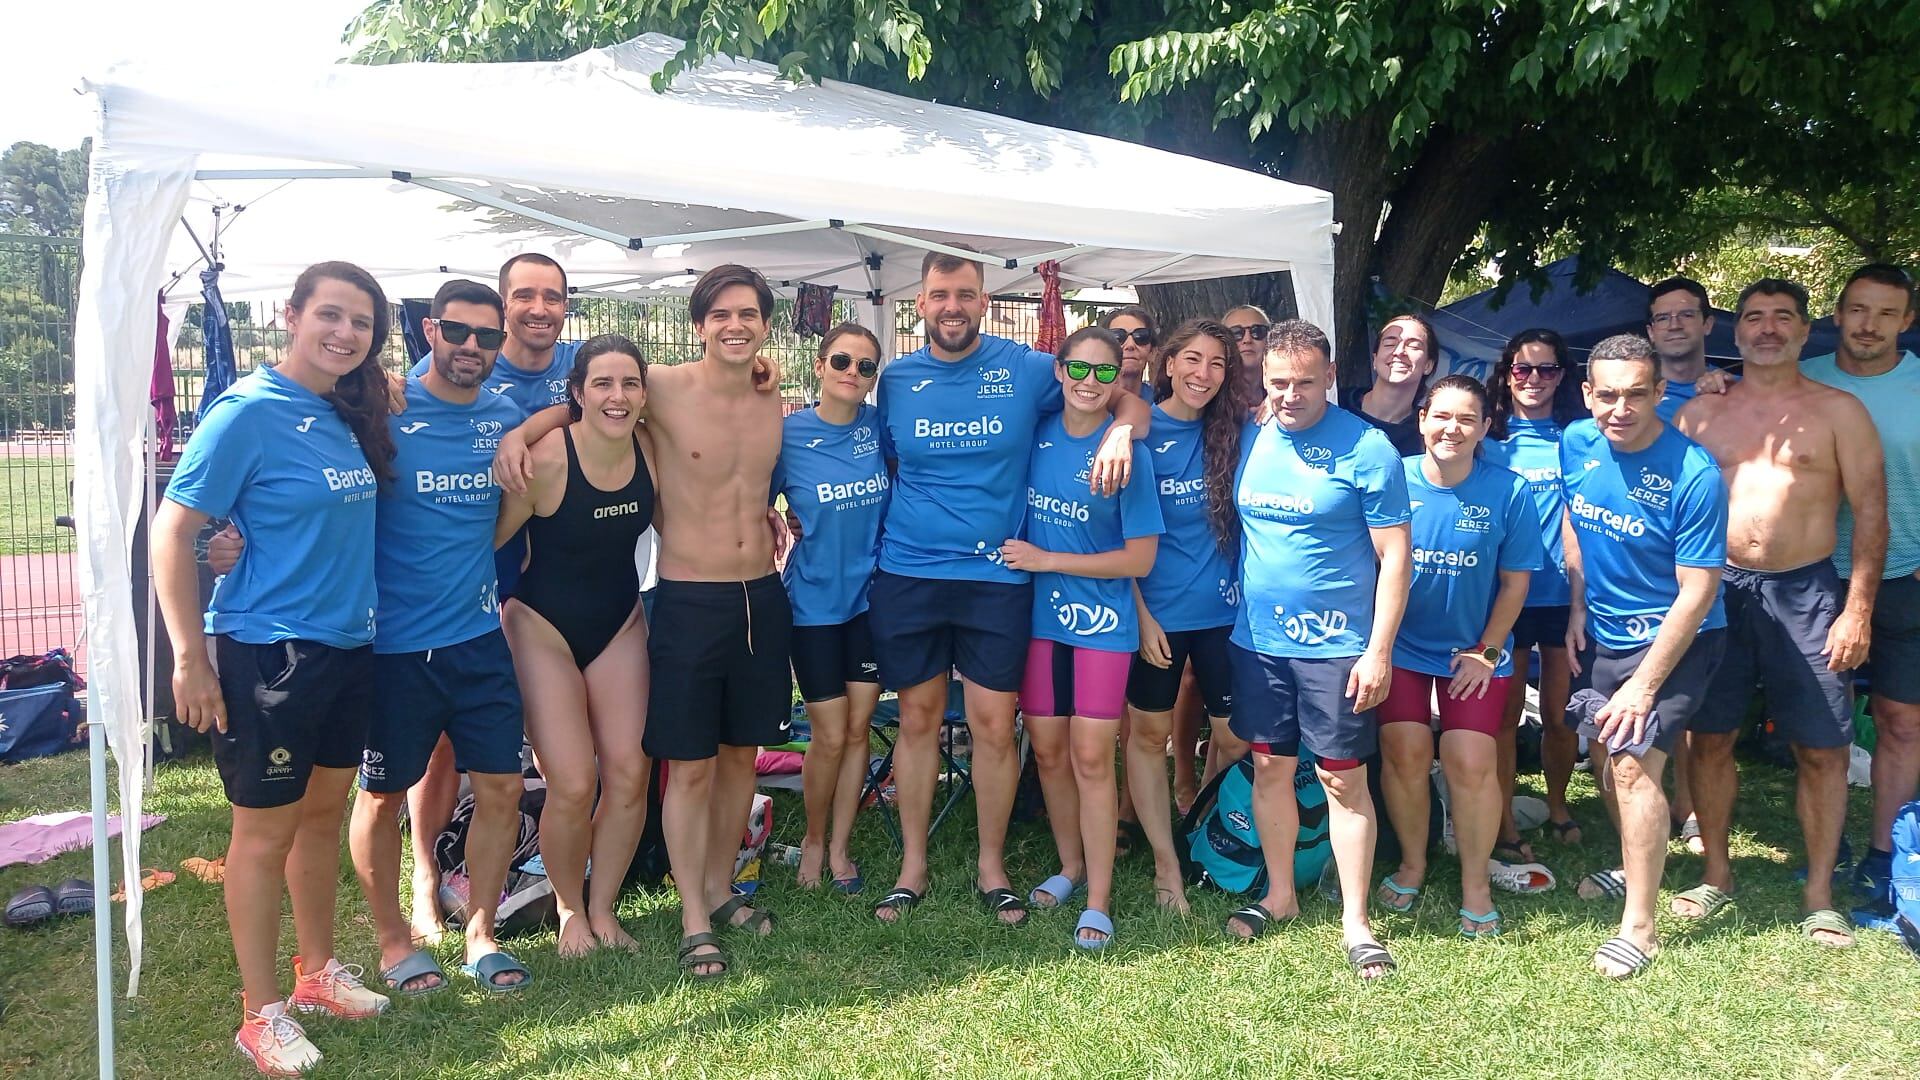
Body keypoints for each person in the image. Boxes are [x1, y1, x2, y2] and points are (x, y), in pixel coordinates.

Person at [151, 261, 397, 1075]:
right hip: (271, 653)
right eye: (330, 314)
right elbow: (172, 530)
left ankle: (316, 973)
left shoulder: (343, 410)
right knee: (262, 834)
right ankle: (261, 1015)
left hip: (348, 647)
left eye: (361, 322)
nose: (345, 333)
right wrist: (188, 657)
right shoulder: (247, 412)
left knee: (322, 815)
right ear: (291, 315)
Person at [868, 248, 1150, 926]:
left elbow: (1116, 394)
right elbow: (888, 460)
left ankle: (991, 866)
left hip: (997, 575)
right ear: (920, 303)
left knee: (994, 726)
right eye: (940, 295)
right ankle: (913, 866)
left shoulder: (1026, 368)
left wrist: (1120, 434)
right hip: (910, 571)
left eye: (965, 294)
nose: (953, 307)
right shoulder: (898, 378)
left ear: (984, 302)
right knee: (917, 720)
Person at [1674, 279, 1886, 947]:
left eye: (1783, 317)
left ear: (1804, 329)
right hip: (1717, 590)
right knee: (1709, 736)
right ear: (1735, 331)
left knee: (1822, 746)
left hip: (1807, 590)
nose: (1768, 328)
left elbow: (1872, 515)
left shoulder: (1839, 411)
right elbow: (1665, 510)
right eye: (1755, 317)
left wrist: (1857, 609)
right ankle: (1716, 873)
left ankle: (1819, 894)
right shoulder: (1701, 414)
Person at [348, 280, 533, 993]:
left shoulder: (504, 413)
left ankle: (481, 934)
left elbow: (567, 413)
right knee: (382, 795)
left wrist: (521, 434)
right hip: (394, 647)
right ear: (430, 331)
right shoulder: (385, 407)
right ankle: (395, 939)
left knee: (502, 786)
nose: (471, 347)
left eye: (487, 337)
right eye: (457, 332)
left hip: (479, 638)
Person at [398, 253, 578, 942]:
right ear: (504, 307)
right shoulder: (452, 363)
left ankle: (551, 870)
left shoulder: (576, 365)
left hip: (556, 574)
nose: (539, 308)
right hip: (475, 568)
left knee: (542, 737)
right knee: (445, 741)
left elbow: (630, 396)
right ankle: (425, 874)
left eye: (552, 297)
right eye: (525, 296)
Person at [1227, 319, 1412, 980]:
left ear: (1331, 376)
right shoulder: (1251, 433)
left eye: (1305, 382)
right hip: (1258, 641)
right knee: (1270, 768)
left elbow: (1397, 558)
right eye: (1278, 382)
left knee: (1341, 778)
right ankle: (1280, 894)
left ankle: (1356, 921)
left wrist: (1378, 651)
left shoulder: (1369, 448)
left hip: (1337, 647)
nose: (1290, 395)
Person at [1560, 333, 1728, 979]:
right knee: (1606, 761)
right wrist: (1578, 602)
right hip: (1604, 631)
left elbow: (1698, 591)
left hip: (1677, 637)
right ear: (1587, 394)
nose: (1620, 409)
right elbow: (1577, 520)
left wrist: (1643, 687)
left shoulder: (1694, 473)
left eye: (1636, 394)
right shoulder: (1576, 442)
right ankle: (1636, 865)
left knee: (1632, 766)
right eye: (1607, 395)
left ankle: (1641, 928)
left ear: (1661, 392)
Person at [494, 335, 657, 959]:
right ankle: (569, 910)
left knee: (630, 772)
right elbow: (487, 545)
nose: (618, 396)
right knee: (570, 781)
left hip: (619, 623)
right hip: (542, 625)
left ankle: (603, 907)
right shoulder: (545, 461)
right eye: (603, 384)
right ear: (578, 393)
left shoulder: (650, 450)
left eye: (630, 383)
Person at [1002, 327, 1163, 948]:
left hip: (1100, 625)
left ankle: (1099, 897)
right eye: (1077, 369)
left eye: (1104, 372)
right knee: (1047, 752)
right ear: (1059, 370)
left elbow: (1140, 559)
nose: (1088, 382)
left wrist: (1048, 561)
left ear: (1119, 378)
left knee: (1092, 757)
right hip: (1038, 623)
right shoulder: (1036, 433)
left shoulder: (1127, 453)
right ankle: (1069, 866)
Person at [1375, 375, 1542, 938]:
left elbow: (1516, 583)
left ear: (1485, 428)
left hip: (1474, 651)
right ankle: (1413, 864)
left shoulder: (1510, 491)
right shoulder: (1390, 477)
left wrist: (1486, 651)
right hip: (1401, 646)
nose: (1453, 428)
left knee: (1470, 760)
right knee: (1405, 752)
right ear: (1421, 419)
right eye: (1442, 416)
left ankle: (1475, 884)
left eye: (1467, 419)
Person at [1799, 263, 1920, 923]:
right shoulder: (1802, 378)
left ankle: (1882, 852)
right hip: (1818, 574)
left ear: (1907, 321)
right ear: (1838, 314)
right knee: (1824, 724)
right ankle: (1828, 844)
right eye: (1858, 310)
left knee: (1902, 721)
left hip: (1905, 575)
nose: (1869, 325)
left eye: (1886, 313)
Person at [1125, 318, 1249, 910]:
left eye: (1217, 363)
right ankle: (1165, 862)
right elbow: (1115, 534)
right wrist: (1140, 615)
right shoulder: (1139, 431)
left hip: (1224, 616)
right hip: (1157, 617)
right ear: (1169, 364)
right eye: (1193, 360)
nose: (1204, 373)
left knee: (1234, 738)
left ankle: (1205, 830)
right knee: (1148, 738)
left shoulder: (1238, 431)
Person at [773, 323, 890, 893]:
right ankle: (814, 840)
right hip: (813, 603)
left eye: (865, 366)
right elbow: (749, 496)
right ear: (819, 366)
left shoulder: (880, 427)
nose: (852, 373)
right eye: (842, 361)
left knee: (858, 726)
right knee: (829, 733)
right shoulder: (788, 435)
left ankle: (840, 847)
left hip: (872, 601)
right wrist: (777, 517)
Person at [1482, 330, 1587, 852]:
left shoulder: (1579, 438)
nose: (1534, 379)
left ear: (1562, 376)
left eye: (1547, 369)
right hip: (1505, 597)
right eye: (1523, 368)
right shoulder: (1487, 438)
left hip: (1562, 596)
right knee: (1504, 718)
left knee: (1560, 718)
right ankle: (1504, 821)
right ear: (1506, 374)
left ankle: (1558, 805)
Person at [1339, 314, 1439, 456]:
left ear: (1428, 365)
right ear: (1375, 359)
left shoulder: (1428, 431)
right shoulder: (1335, 403)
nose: (1399, 352)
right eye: (1390, 344)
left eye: (1413, 346)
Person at [1646, 275, 1721, 422]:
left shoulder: (1738, 389)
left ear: (1707, 324)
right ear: (1651, 332)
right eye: (1662, 318)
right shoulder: (1631, 395)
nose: (1674, 326)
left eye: (1686, 315)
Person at [1099, 304, 1158, 400]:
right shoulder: (1085, 400)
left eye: (1141, 336)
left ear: (1152, 353)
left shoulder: (1162, 403)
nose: (1130, 345)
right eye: (1117, 337)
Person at [1222, 304, 1272, 406]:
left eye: (1257, 331)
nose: (1247, 339)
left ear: (1270, 339)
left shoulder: (1287, 390)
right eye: (1236, 333)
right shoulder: (1214, 392)